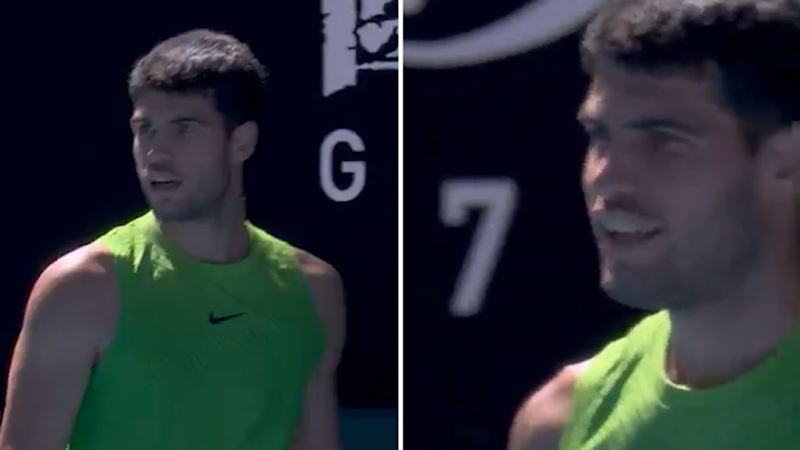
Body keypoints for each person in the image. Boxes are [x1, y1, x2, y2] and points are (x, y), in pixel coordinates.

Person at [0, 29, 345, 450]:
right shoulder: (81, 287)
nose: (155, 155)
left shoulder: (314, 290)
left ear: (241, 141)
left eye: (184, 129)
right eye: (145, 129)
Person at [508, 1, 800, 449]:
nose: (607, 178)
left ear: (787, 163)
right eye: (600, 136)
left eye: (663, 141)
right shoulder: (557, 423)